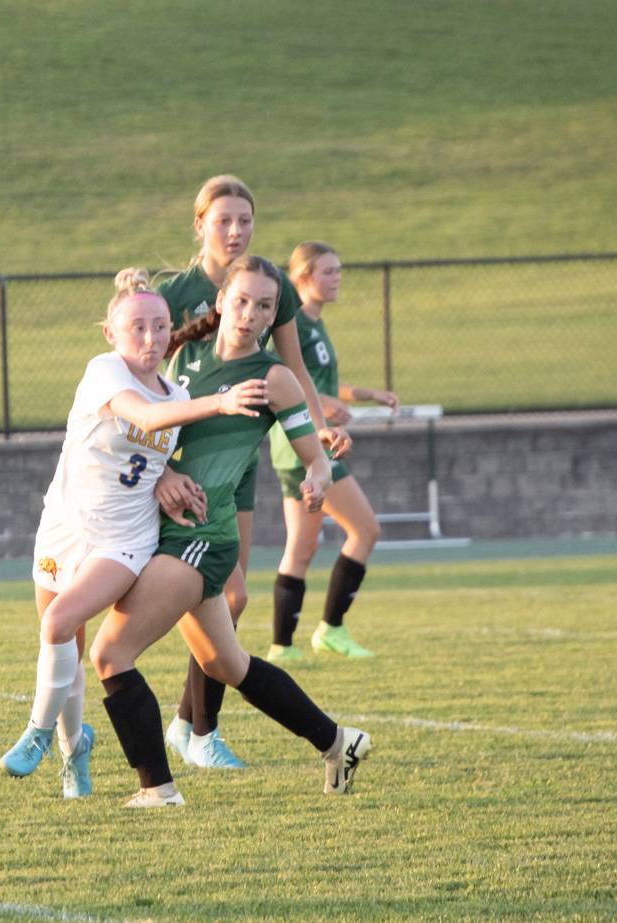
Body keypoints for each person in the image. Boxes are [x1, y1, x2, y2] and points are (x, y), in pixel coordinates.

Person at [89, 255, 371, 807]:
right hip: (164, 530)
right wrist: (166, 472)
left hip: (202, 538)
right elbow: (146, 430)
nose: (250, 313)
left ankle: (158, 789)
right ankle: (339, 741)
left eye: (264, 306)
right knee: (227, 664)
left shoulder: (273, 378)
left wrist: (317, 476)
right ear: (220, 301)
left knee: (110, 654)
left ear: (273, 315)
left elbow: (312, 457)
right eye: (241, 300)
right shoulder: (181, 355)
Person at [0, 268, 269, 798]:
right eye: (138, 327)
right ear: (112, 334)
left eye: (160, 327)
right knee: (63, 645)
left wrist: (175, 476)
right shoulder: (104, 372)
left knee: (60, 621)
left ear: (172, 331)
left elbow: (168, 438)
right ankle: (74, 750)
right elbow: (144, 417)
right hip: (62, 527)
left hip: (123, 541)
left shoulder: (179, 390)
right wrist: (220, 402)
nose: (150, 338)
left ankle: (34, 732)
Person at [157, 174, 351, 770]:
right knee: (227, 593)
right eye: (224, 220)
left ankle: (192, 726)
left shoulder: (269, 286)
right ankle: (195, 728)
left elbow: (290, 367)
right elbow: (143, 376)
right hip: (180, 465)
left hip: (236, 462)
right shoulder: (176, 293)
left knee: (230, 596)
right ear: (200, 226)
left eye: (246, 220)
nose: (237, 231)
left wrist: (316, 430)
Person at [267, 242, 398, 663]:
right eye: (328, 271)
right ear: (302, 278)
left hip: (302, 446)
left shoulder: (315, 324)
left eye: (339, 270)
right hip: (306, 445)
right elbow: (288, 380)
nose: (337, 278)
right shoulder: (294, 326)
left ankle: (282, 647)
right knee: (366, 530)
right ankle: (331, 629)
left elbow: (318, 381)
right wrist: (322, 407)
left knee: (302, 548)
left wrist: (366, 394)